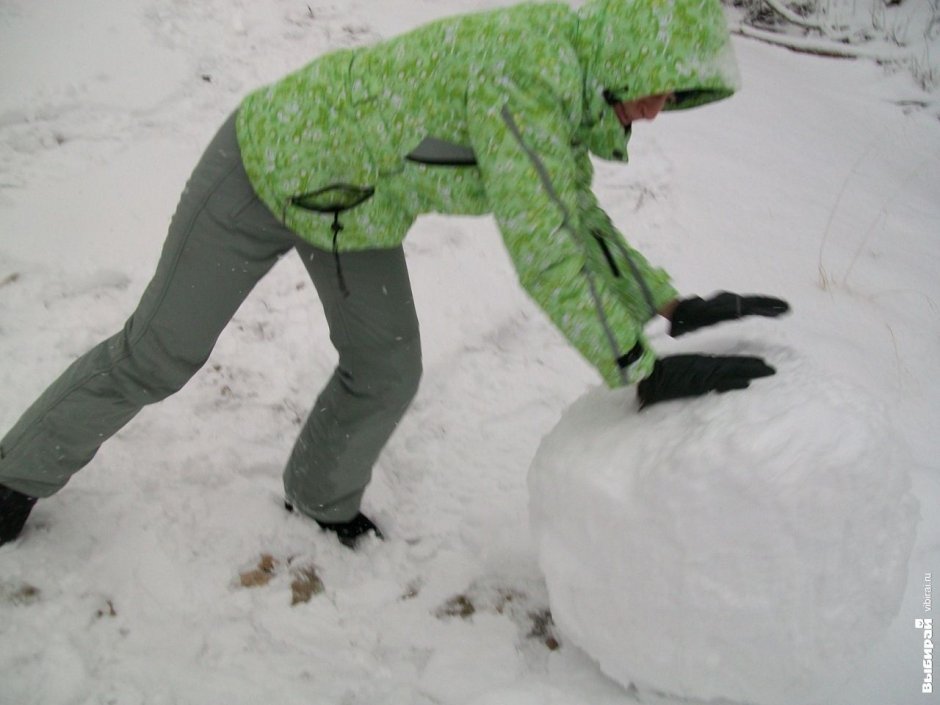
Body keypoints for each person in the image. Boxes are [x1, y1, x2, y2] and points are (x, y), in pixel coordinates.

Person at [0, 0, 788, 549]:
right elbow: (542, 239)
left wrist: (667, 303)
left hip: (350, 209)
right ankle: (15, 475)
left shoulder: (570, 82)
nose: (657, 109)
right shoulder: (529, 72)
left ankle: (317, 495)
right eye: (658, 84)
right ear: (631, 52)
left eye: (675, 96)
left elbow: (571, 209)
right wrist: (636, 368)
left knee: (386, 365)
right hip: (264, 166)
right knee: (158, 352)